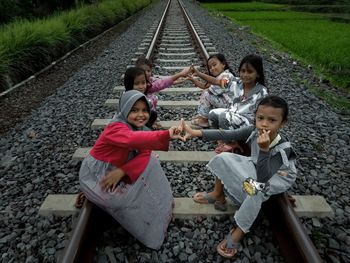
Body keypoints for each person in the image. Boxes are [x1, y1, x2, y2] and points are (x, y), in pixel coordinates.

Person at [181, 96, 297, 258]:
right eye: (260, 118)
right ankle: (217, 194)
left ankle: (239, 231)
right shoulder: (254, 130)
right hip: (257, 165)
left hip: (277, 176)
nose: (264, 123)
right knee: (223, 158)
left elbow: (263, 178)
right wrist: (195, 132)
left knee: (256, 189)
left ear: (283, 123)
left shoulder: (284, 148)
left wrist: (264, 150)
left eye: (272, 120)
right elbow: (229, 133)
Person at [79, 90, 184, 249]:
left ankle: (162, 208)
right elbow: (132, 139)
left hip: (117, 168)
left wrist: (123, 171)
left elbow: (146, 150)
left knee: (151, 161)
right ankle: (145, 225)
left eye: (144, 110)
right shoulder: (115, 127)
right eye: (134, 110)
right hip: (96, 175)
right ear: (124, 109)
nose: (140, 115)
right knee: (120, 200)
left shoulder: (140, 128)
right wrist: (166, 134)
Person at [208, 54, 268, 153]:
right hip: (234, 114)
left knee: (224, 117)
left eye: (250, 72)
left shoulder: (262, 92)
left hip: (249, 122)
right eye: (243, 71)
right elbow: (216, 81)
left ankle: (231, 144)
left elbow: (262, 116)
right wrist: (198, 74)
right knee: (212, 114)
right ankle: (222, 141)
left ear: (258, 74)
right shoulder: (237, 82)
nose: (245, 75)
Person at [135, 57, 190, 128]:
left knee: (152, 99)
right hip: (138, 108)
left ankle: (150, 119)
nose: (147, 73)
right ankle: (148, 122)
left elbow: (159, 80)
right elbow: (159, 84)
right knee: (151, 99)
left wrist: (175, 81)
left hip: (142, 107)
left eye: (148, 71)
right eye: (144, 71)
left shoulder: (149, 79)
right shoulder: (144, 85)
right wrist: (180, 74)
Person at [187, 53, 236, 128]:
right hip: (227, 103)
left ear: (223, 64)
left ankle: (204, 120)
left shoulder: (226, 76)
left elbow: (208, 90)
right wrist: (192, 80)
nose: (212, 68)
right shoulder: (221, 76)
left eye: (214, 65)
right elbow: (204, 86)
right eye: (210, 67)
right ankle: (203, 116)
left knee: (206, 94)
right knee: (207, 93)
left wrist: (199, 74)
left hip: (231, 106)